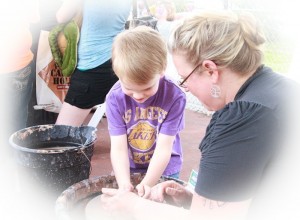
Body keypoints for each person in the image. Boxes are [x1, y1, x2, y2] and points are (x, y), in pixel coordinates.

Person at [100, 11, 300, 220]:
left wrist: (134, 206)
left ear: (210, 70)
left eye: (184, 78)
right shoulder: (281, 90)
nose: (184, 88)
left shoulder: (241, 121)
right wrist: (194, 200)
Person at [105, 26, 186, 197]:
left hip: (165, 169)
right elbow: (118, 148)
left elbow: (164, 148)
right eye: (129, 87)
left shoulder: (175, 96)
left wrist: (147, 185)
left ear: (162, 70)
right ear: (117, 74)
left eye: (147, 87)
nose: (138, 95)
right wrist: (124, 184)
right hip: (129, 167)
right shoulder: (114, 98)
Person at [55, 0, 131, 126]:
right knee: (123, 126)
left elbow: (61, 16)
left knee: (62, 134)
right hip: (117, 58)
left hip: (93, 64)